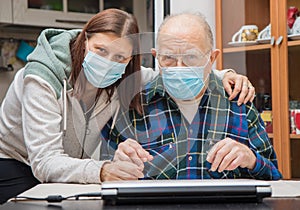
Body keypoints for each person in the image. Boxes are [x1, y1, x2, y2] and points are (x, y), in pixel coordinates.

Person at [0, 9, 254, 203]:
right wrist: (104, 170)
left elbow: (170, 70)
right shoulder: (41, 78)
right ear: (84, 40)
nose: (108, 62)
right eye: (100, 50)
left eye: (120, 57)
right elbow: (44, 162)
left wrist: (225, 74)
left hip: (71, 168)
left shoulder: (122, 77)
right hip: (17, 164)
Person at [100, 12, 282, 181]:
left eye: (191, 57)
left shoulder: (239, 104)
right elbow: (105, 174)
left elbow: (274, 176)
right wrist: (116, 163)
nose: (179, 67)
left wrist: (250, 159)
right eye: (168, 57)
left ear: (211, 58)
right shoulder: (134, 105)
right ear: (156, 57)